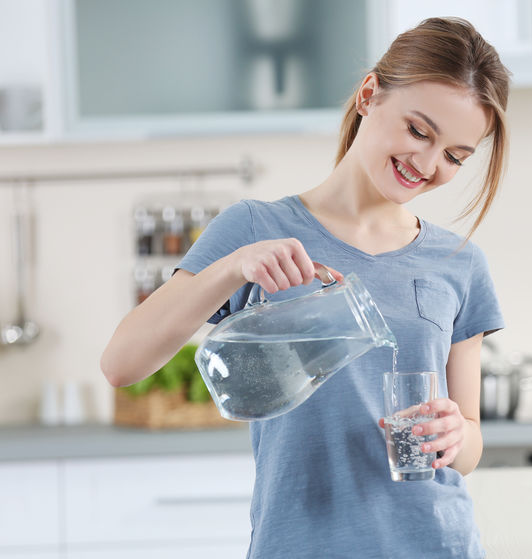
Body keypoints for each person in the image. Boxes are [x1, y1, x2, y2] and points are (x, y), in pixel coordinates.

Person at [101, 16, 510, 558]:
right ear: (369, 95)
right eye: (418, 131)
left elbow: (470, 443)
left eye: (456, 156)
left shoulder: (458, 263)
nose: (429, 164)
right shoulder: (254, 228)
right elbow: (121, 365)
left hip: (435, 544)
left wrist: (456, 434)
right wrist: (233, 268)